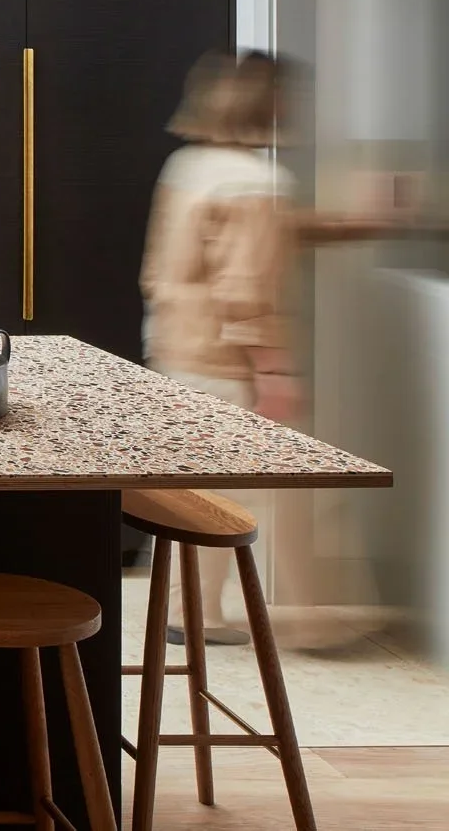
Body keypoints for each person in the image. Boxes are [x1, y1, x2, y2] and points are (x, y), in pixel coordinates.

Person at [140, 50, 389, 643]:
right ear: (270, 106)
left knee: (202, 487)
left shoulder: (190, 165)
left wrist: (355, 223)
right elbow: (245, 288)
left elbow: (245, 237)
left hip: (178, 344)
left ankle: (189, 613)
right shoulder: (258, 183)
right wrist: (275, 370)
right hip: (229, 360)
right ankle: (314, 621)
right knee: (298, 489)